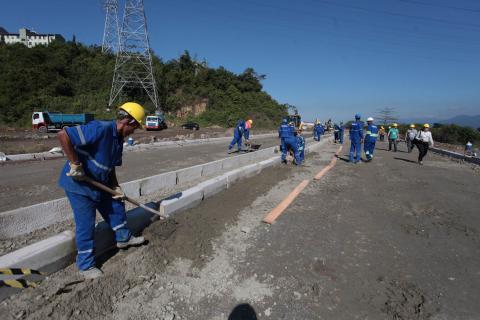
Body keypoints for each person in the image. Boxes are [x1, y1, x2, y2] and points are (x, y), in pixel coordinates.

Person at [57, 102, 147, 279]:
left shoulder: (118, 141)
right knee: (86, 224)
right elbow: (63, 135)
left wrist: (115, 186)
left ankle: (123, 238)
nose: (133, 132)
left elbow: (110, 166)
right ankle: (85, 265)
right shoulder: (101, 128)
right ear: (127, 121)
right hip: (79, 185)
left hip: (100, 182)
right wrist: (75, 163)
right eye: (134, 128)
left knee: (116, 204)